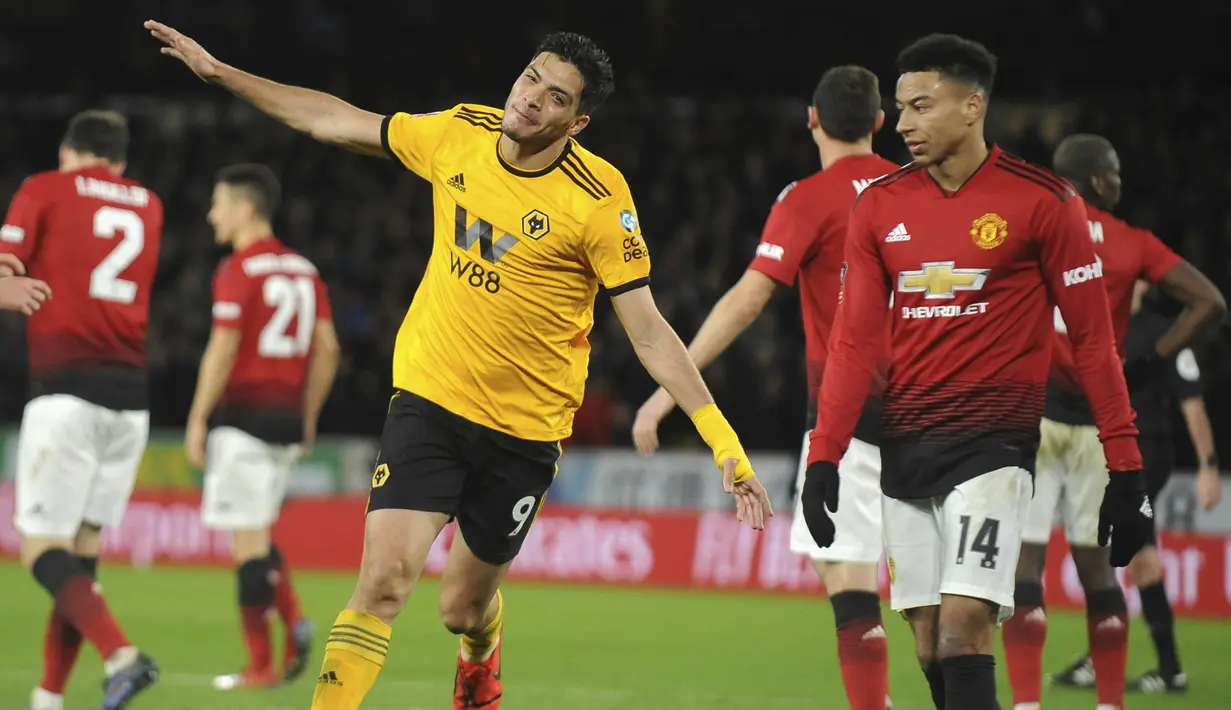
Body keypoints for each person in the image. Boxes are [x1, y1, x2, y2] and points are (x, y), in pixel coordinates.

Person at [146, 21, 774, 710]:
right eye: (531, 77)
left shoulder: (597, 201)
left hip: (524, 433)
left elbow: (650, 334)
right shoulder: (458, 133)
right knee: (383, 581)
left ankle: (481, 649)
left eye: (556, 96)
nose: (532, 98)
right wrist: (223, 74)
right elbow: (333, 120)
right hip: (430, 401)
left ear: (578, 121)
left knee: (460, 610)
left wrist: (723, 443)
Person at [798, 35, 1153, 710]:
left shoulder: (1044, 202)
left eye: (920, 106)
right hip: (906, 446)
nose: (901, 123)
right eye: (898, 108)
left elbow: (1092, 344)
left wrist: (1125, 468)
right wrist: (825, 458)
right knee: (928, 639)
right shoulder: (876, 205)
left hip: (993, 448)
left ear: (972, 106)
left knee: (964, 630)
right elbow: (851, 346)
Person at [631, 65, 898, 710]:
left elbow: (748, 301)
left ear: (812, 119)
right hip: (938, 412)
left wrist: (669, 390)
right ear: (881, 123)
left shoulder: (807, 197)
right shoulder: (916, 188)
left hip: (848, 417)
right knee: (928, 599)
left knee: (850, 583)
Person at [1002, 134, 1226, 710]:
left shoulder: (1031, 229)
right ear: (1099, 181)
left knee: (1026, 568)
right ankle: (1109, 704)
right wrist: (1147, 362)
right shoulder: (1132, 243)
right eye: (1116, 175)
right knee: (1100, 576)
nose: (1121, 184)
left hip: (1036, 419)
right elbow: (1209, 302)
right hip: (1102, 426)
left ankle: (1026, 703)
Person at [1, 110, 164, 710]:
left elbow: (6, 273)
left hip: (65, 392)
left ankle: (122, 656)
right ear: (119, 162)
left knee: (42, 550)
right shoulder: (148, 204)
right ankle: (48, 697)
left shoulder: (43, 188)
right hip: (130, 402)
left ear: (69, 150)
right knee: (80, 564)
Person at [185, 164, 340, 690]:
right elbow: (328, 348)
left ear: (246, 208)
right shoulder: (305, 270)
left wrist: (198, 417)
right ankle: (294, 619)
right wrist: (310, 415)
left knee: (247, 547)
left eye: (219, 204)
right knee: (259, 533)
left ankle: (262, 668)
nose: (212, 215)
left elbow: (224, 346)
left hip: (244, 421)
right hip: (285, 423)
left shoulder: (238, 269)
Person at [1049, 283, 1223, 696]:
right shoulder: (1097, 328)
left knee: (1136, 553)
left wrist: (1209, 465)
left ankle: (1165, 669)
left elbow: (1192, 403)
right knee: (1120, 552)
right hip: (1106, 454)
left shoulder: (1166, 333)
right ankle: (1117, 658)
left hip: (1146, 455)